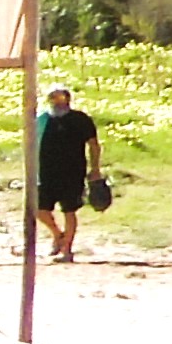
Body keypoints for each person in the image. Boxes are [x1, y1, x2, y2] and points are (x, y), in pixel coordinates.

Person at [34, 83, 101, 263]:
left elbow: (94, 145)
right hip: (46, 172)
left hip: (72, 172)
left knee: (69, 210)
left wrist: (95, 169)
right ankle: (58, 235)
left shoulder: (80, 119)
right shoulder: (42, 120)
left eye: (61, 97)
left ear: (68, 98)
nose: (57, 101)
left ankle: (67, 250)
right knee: (39, 209)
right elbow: (31, 143)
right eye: (53, 97)